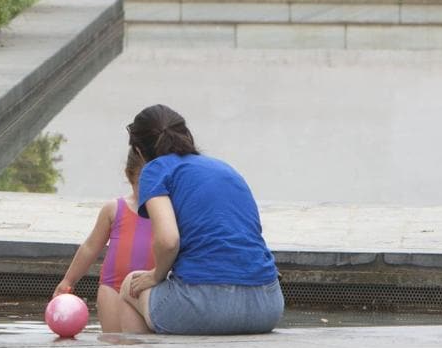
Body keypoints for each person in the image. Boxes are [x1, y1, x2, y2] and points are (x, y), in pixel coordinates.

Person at [118, 104, 283, 335]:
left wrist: (156, 275)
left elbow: (168, 240)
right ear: (186, 136)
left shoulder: (155, 169)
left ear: (139, 151)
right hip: (267, 305)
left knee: (131, 285)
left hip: (204, 305)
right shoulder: (224, 168)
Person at [53, 148, 153, 333]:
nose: (149, 187)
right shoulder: (114, 209)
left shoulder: (169, 214)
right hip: (112, 287)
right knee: (113, 341)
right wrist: (68, 281)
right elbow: (91, 247)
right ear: (130, 176)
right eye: (142, 182)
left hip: (150, 286)